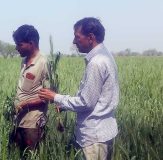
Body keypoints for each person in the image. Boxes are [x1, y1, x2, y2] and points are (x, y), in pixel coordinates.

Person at [38, 17, 119, 160]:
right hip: (104, 132)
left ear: (90, 37)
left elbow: (86, 102)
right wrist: (64, 105)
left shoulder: (96, 63)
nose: (74, 41)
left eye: (77, 37)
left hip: (94, 136)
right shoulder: (106, 56)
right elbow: (95, 99)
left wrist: (55, 97)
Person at [11, 24, 49, 158]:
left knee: (32, 156)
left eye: (19, 44)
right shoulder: (24, 61)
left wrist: (24, 104)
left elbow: (48, 97)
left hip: (33, 124)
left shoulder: (44, 63)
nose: (17, 48)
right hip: (18, 121)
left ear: (31, 43)